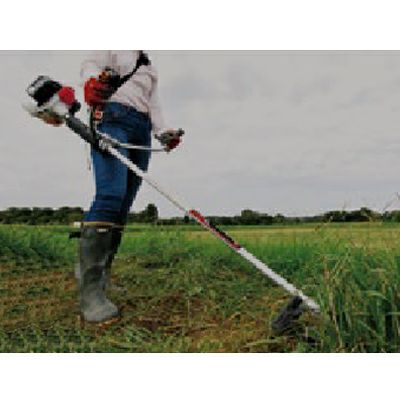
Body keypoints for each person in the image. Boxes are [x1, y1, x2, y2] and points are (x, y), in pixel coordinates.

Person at [78, 50, 181, 323]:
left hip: (141, 128)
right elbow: (90, 64)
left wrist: (163, 132)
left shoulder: (148, 64)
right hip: (112, 117)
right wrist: (92, 82)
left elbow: (153, 103)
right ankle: (90, 292)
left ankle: (103, 278)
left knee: (124, 203)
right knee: (111, 195)